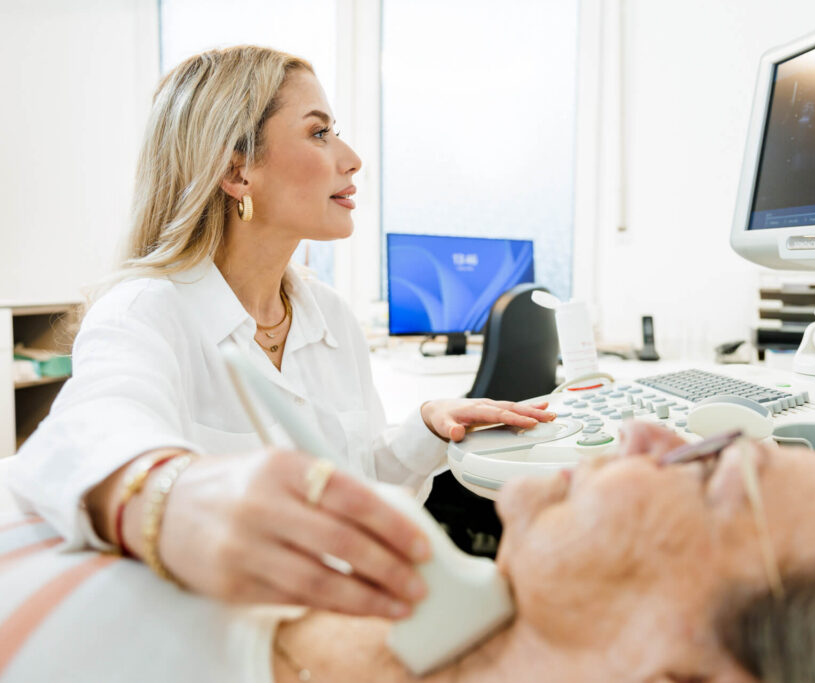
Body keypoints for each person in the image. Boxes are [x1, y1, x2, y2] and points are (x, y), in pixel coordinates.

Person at [6, 45, 553, 620]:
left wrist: (426, 428)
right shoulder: (143, 312)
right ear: (236, 172)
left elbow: (355, 483)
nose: (352, 159)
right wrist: (172, 499)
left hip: (346, 620)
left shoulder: (330, 314)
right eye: (319, 133)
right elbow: (84, 440)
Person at [1, 421, 815, 681]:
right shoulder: (377, 549)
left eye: (705, 466)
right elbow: (58, 449)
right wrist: (147, 492)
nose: (645, 434)